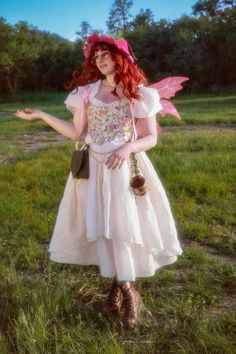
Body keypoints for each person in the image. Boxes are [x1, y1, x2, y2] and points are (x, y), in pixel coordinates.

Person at [14, 33, 183, 328]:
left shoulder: (137, 93)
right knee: (103, 228)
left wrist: (128, 146)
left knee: (121, 227)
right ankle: (121, 286)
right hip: (94, 166)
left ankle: (127, 291)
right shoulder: (88, 93)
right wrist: (41, 115)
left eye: (104, 55)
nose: (99, 61)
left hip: (122, 167)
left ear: (120, 58)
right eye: (96, 57)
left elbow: (150, 138)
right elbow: (75, 132)